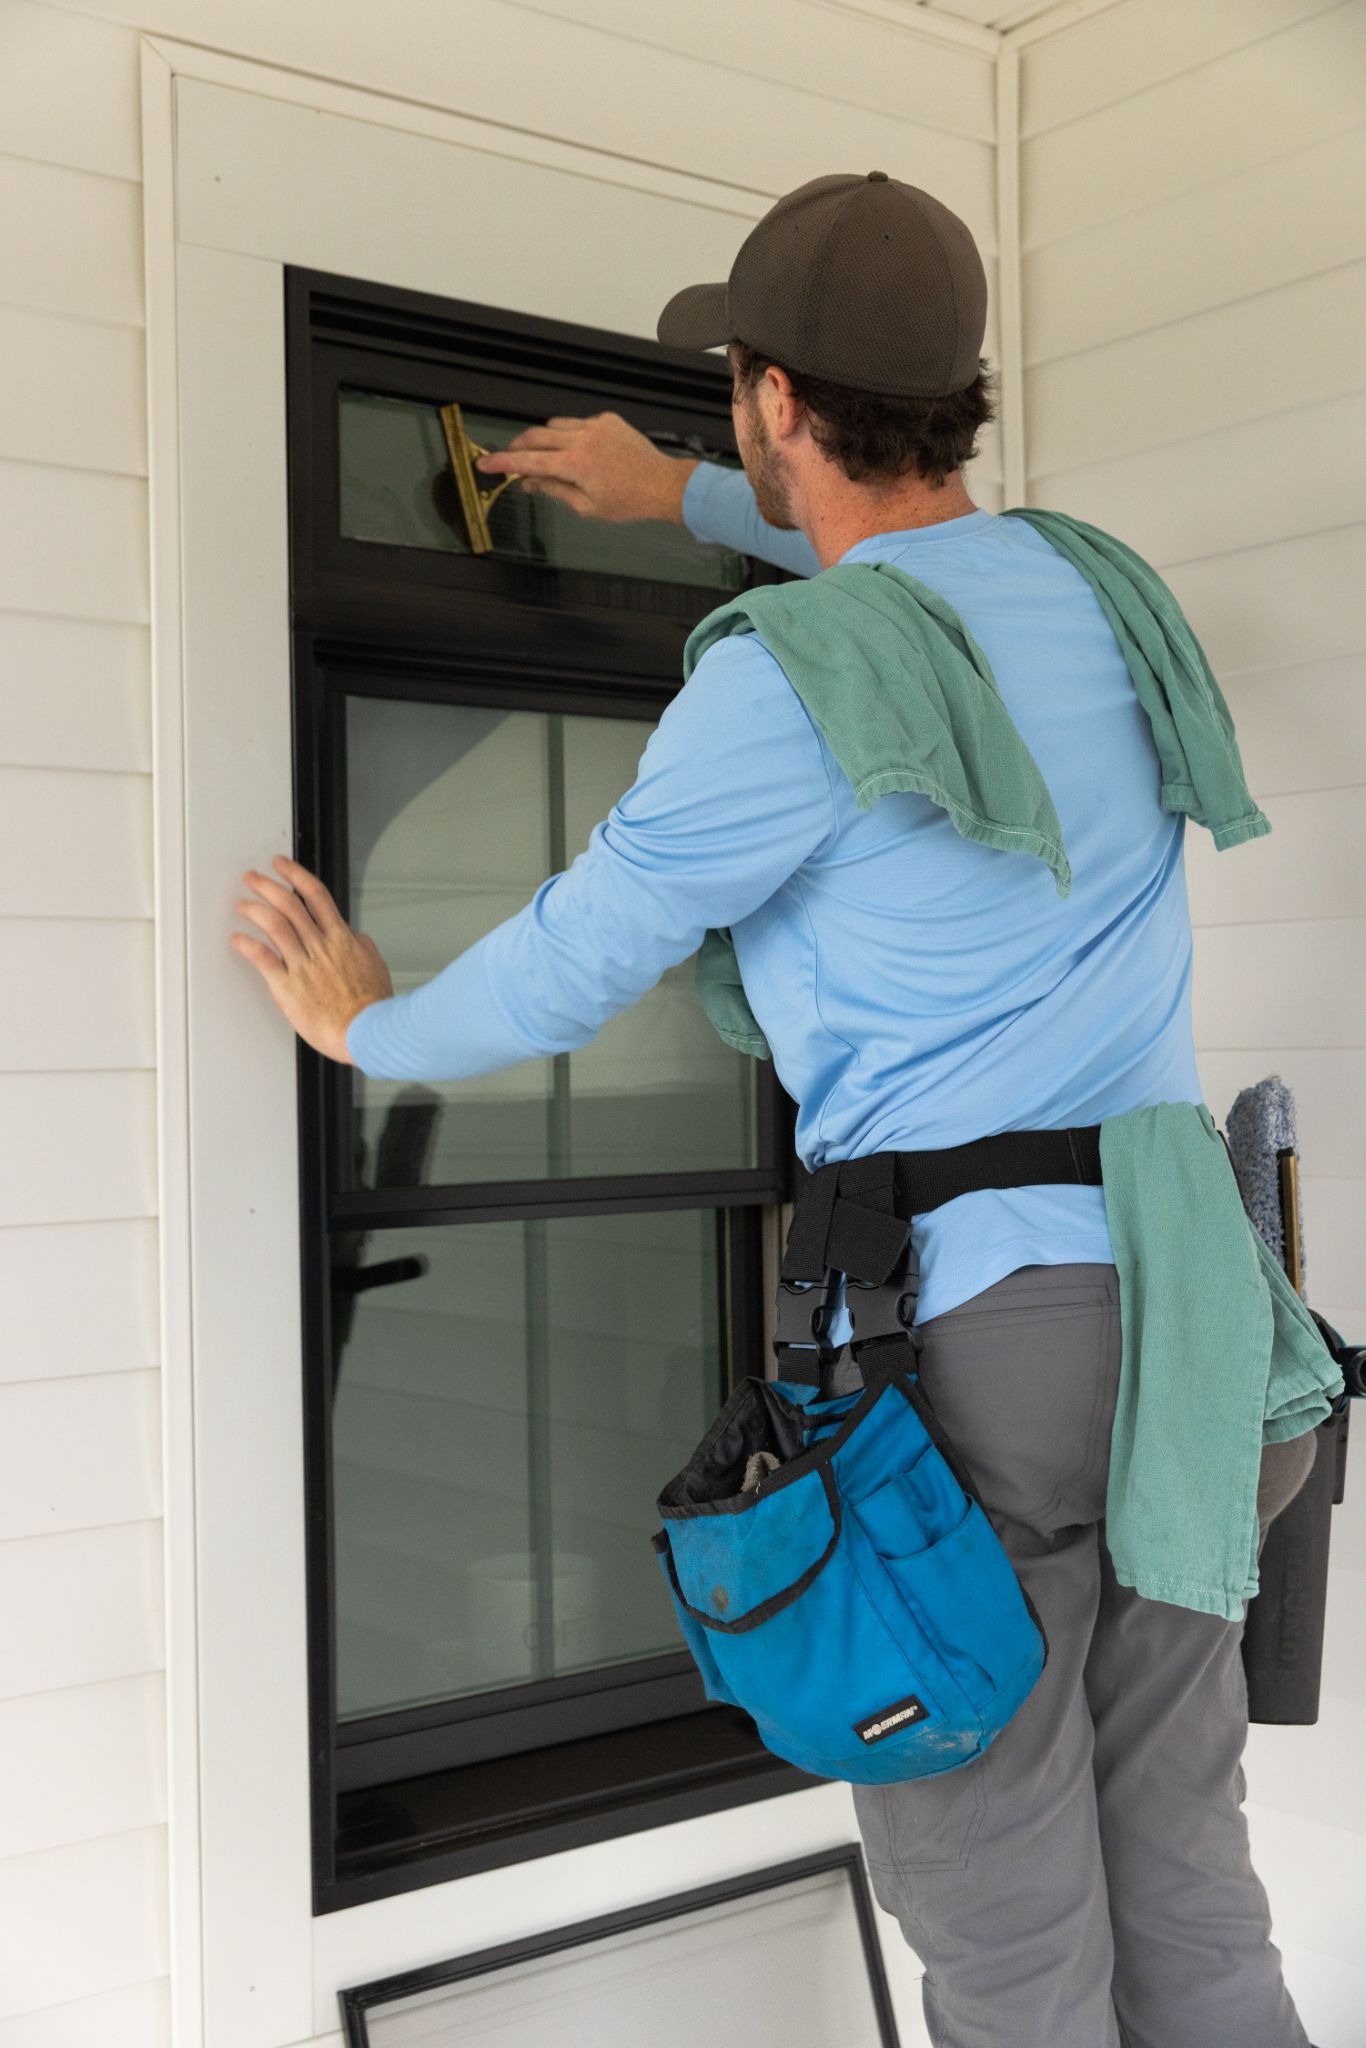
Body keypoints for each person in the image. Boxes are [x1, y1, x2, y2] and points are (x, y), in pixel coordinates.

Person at [230, 173, 1316, 2048]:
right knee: (1191, 1900)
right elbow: (915, 581)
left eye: (733, 389)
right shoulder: (1094, 584)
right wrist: (688, 497)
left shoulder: (790, 686)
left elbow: (585, 950)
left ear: (777, 398)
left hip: (993, 1359)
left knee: (1009, 1949)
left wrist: (365, 1031)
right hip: (1206, 1326)